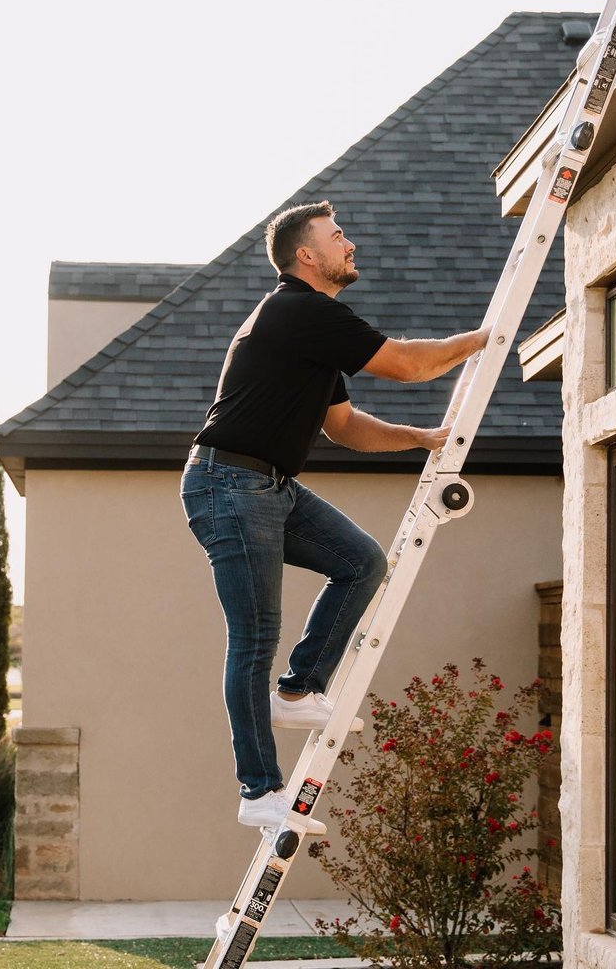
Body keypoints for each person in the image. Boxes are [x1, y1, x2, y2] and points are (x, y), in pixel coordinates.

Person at [181, 201, 488, 834]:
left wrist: (421, 438)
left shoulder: (310, 332)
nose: (350, 243)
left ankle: (299, 691)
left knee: (361, 561)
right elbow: (408, 363)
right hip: (229, 482)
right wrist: (488, 339)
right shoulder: (298, 310)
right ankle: (259, 790)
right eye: (337, 236)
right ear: (306, 256)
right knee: (255, 634)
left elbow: (345, 428)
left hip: (268, 485)